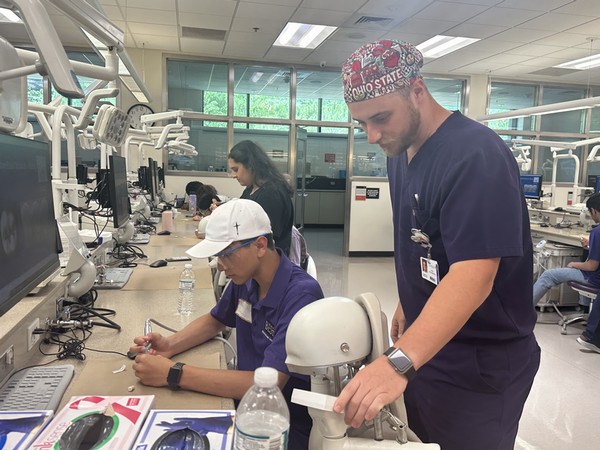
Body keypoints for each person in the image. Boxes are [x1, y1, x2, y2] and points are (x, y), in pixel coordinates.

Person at [333, 40, 540, 450]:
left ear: (417, 90)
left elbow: (474, 274)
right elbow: (425, 237)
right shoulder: (399, 151)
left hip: (482, 359)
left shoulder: (475, 155)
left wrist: (397, 362)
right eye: (361, 124)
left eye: (380, 118)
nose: (372, 136)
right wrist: (413, 300)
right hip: (431, 343)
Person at [130, 199, 323, 450]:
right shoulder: (246, 279)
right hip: (244, 409)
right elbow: (215, 320)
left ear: (260, 245)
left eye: (226, 255)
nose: (220, 265)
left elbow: (267, 385)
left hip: (280, 429)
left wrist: (172, 372)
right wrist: (169, 345)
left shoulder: (301, 295)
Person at [533, 193, 600, 308]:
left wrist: (574, 264)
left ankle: (522, 312)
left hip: (594, 278)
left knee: (548, 275)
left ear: (593, 210)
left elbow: (592, 266)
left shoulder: (597, 232)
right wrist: (590, 246)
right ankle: (584, 307)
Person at [228, 140, 294, 256]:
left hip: (267, 263)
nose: (233, 175)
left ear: (250, 166)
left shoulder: (271, 194)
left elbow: (265, 239)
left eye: (236, 169)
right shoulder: (251, 188)